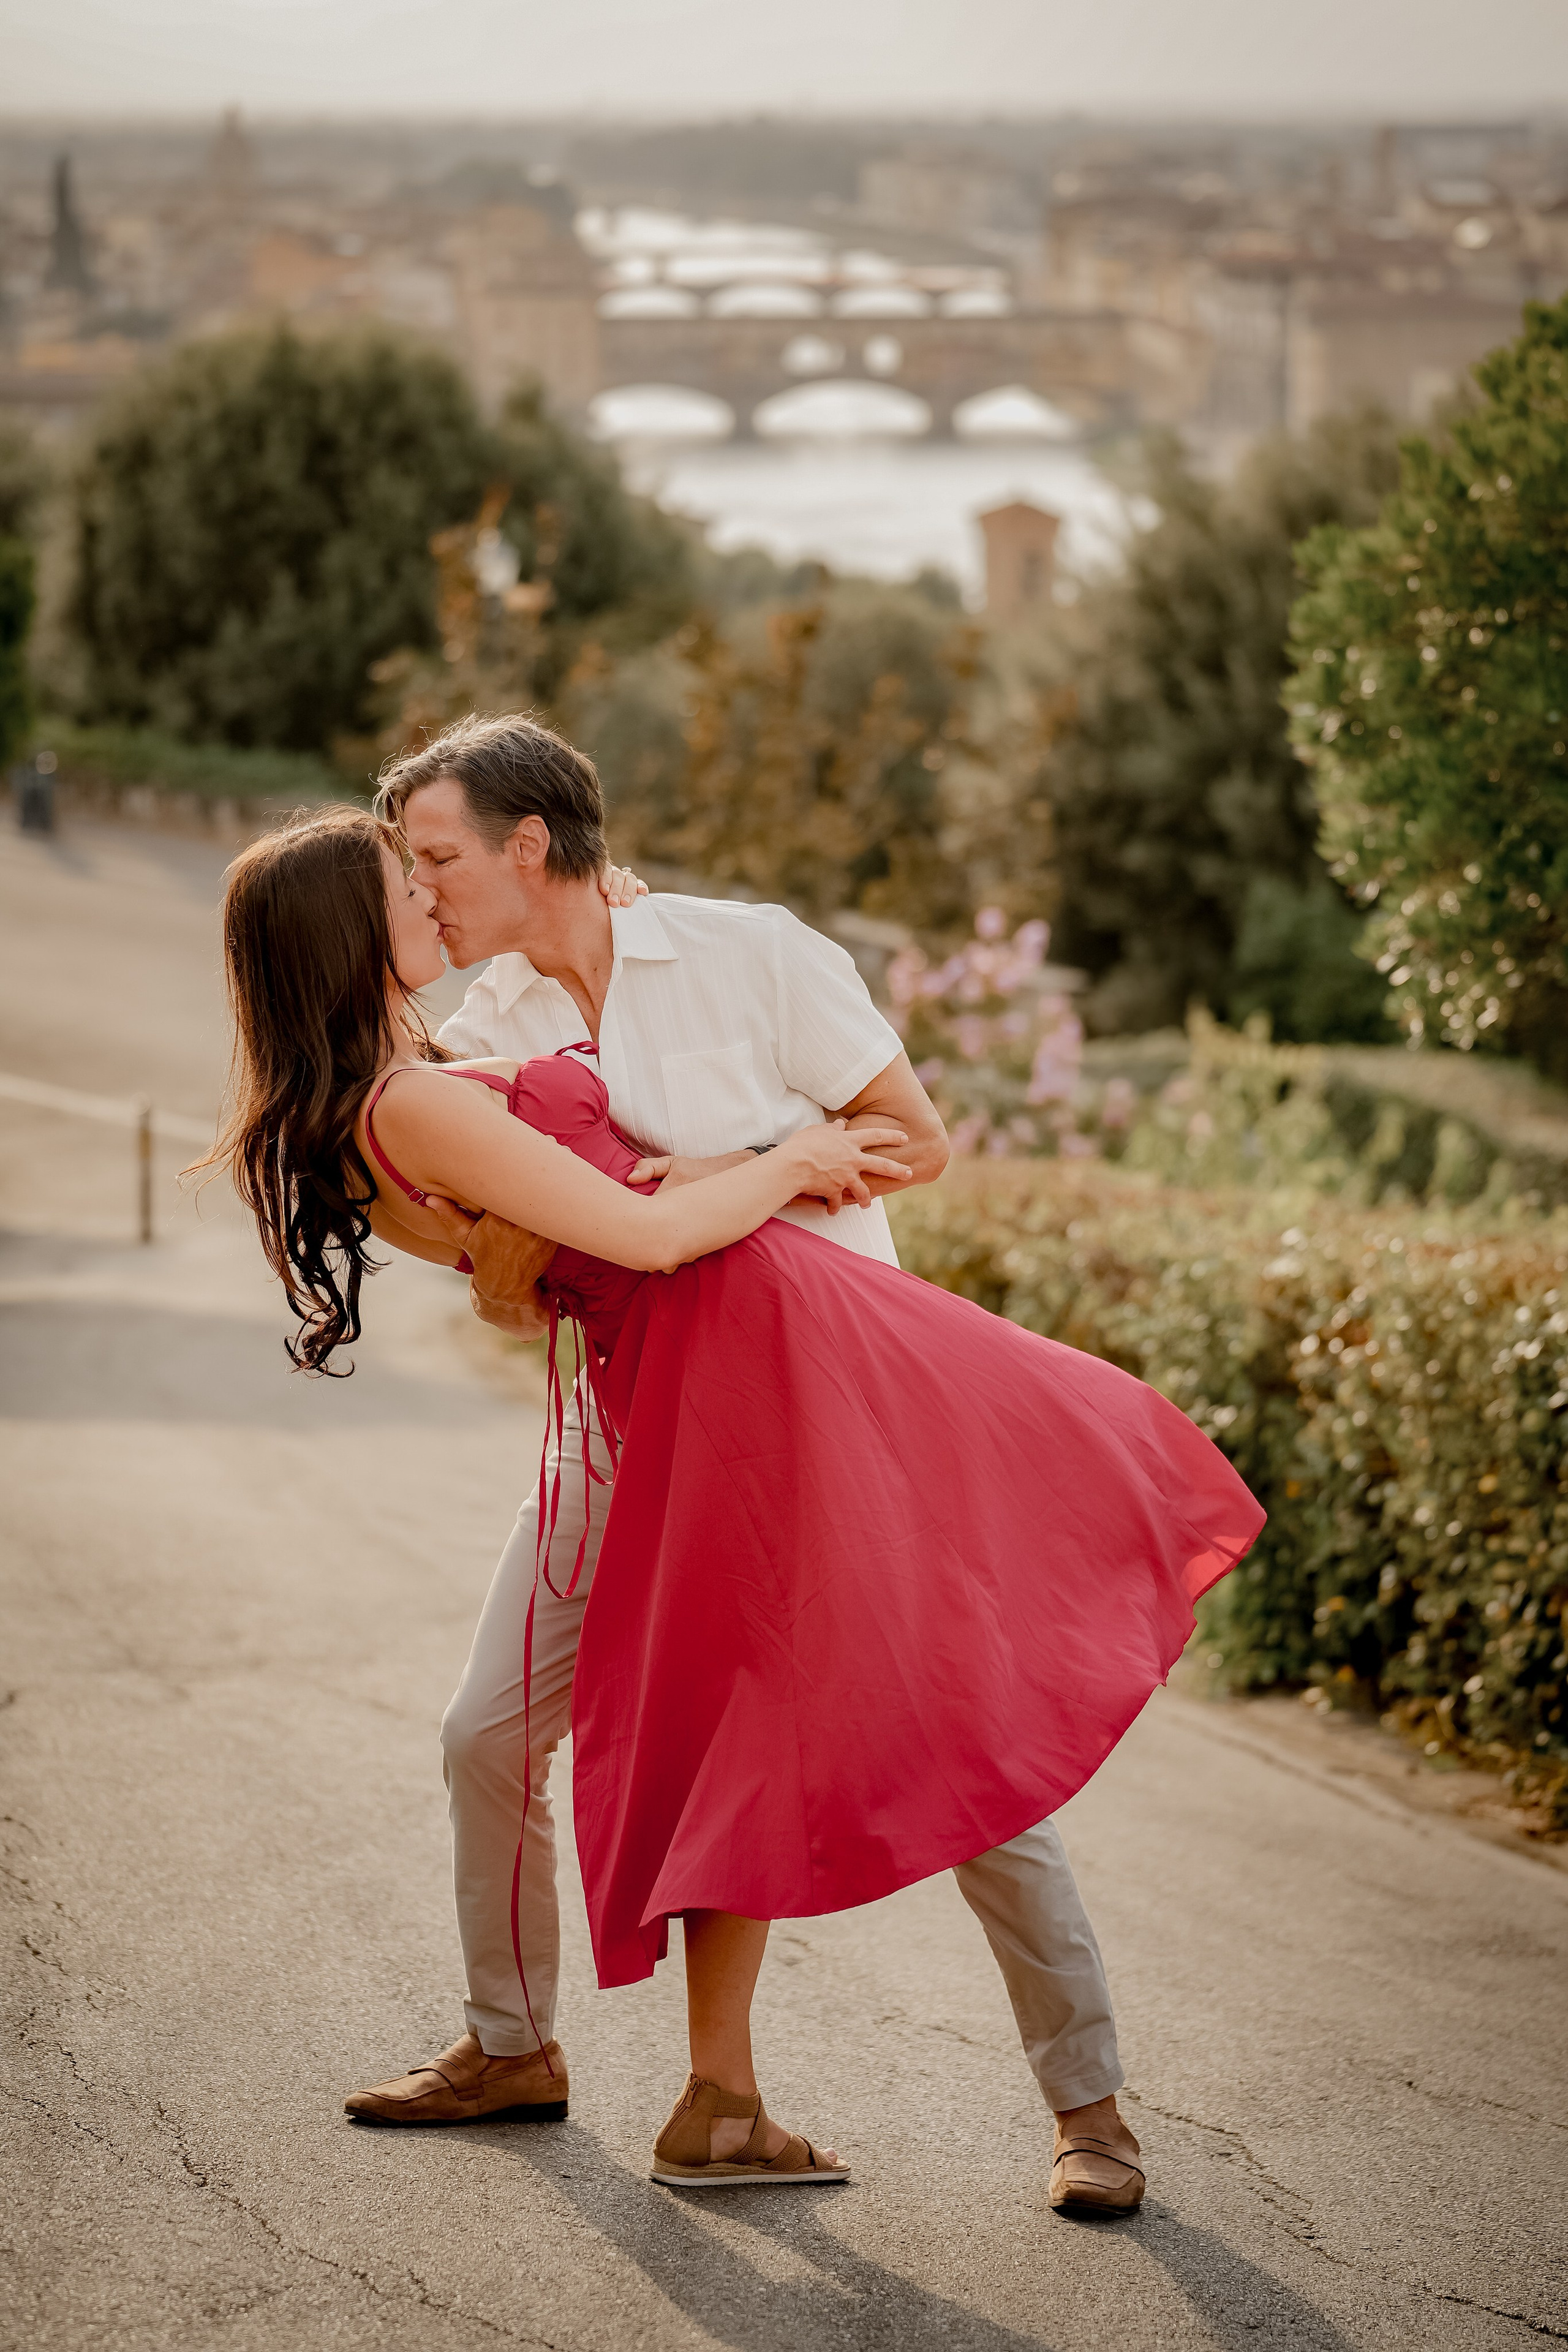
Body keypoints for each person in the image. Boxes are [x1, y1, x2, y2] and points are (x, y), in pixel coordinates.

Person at [213, 727, 1264, 2207]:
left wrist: (739, 1169)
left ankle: (1085, 2107)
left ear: (527, 848)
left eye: (437, 858)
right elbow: (520, 1280)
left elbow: (910, 1140)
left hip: (822, 1405)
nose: (427, 896)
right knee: (490, 1735)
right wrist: (588, 1224)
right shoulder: (479, 1025)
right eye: (406, 875)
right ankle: (521, 2046)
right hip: (619, 1428)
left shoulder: (747, 956)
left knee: (967, 1750)